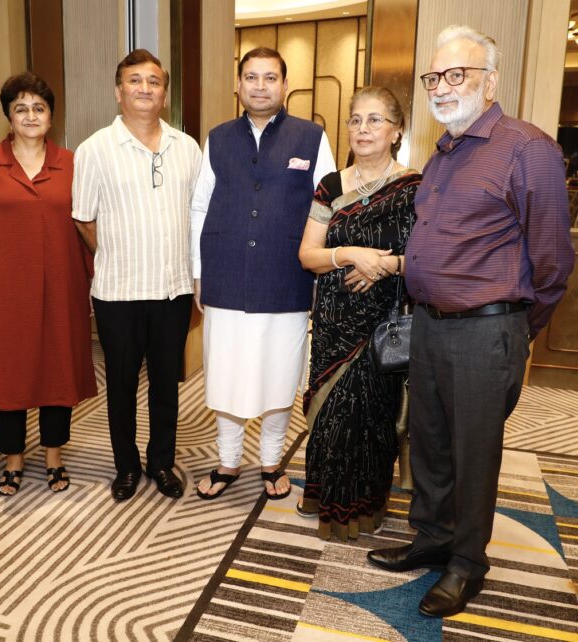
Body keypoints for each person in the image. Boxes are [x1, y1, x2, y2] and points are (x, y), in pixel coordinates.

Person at [367, 25, 574, 618]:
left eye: (457, 75)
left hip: (487, 330)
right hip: (429, 326)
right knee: (429, 443)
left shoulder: (527, 146)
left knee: (474, 450)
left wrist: (513, 330)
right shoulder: (445, 151)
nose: (442, 86)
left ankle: (466, 563)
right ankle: (431, 538)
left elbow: (553, 259)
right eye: (435, 77)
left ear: (490, 82)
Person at [192, 47, 336, 500]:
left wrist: (319, 272)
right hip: (226, 274)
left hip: (287, 277)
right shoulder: (216, 137)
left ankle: (271, 461)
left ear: (284, 85)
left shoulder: (312, 137)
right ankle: (228, 461)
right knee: (226, 373)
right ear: (238, 86)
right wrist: (198, 272)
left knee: (279, 373)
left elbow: (328, 206)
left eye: (269, 77)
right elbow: (199, 206)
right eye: (250, 77)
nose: (259, 86)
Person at [0, 72, 96, 496]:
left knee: (57, 371)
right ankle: (13, 459)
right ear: (9, 116)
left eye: (39, 108)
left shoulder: (71, 162)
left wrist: (95, 277)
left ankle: (53, 456)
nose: (31, 116)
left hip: (60, 285)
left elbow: (86, 222)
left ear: (51, 115)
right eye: (21, 108)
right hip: (1, 288)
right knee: (8, 372)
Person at [72, 49, 201, 502]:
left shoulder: (187, 147)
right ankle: (126, 466)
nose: (145, 88)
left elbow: (196, 216)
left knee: (167, 385)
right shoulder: (93, 150)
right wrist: (115, 253)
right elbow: (84, 219)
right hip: (118, 291)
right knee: (122, 386)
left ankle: (161, 463)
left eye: (154, 81)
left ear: (164, 92)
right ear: (118, 90)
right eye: (134, 81)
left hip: (173, 289)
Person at [296, 86, 419, 539]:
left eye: (375, 120)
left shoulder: (414, 187)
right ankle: (325, 495)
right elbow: (308, 255)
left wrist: (383, 264)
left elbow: (426, 260)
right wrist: (349, 253)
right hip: (333, 318)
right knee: (329, 413)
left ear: (396, 130)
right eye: (355, 120)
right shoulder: (330, 186)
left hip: (383, 324)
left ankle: (365, 505)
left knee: (372, 416)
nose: (363, 129)